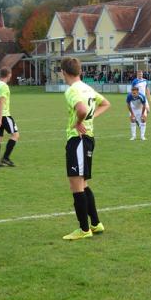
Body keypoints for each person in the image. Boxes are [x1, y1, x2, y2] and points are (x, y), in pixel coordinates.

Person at [61, 57, 111, 240]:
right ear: (79, 71)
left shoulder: (72, 90)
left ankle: (83, 229)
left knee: (76, 185)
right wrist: (91, 118)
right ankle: (96, 223)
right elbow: (105, 103)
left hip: (78, 140)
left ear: (63, 72)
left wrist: (79, 122)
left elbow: (81, 110)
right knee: (83, 183)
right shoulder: (87, 87)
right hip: (87, 139)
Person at [0, 67, 19, 167]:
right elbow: (1, 101)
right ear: (8, 74)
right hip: (3, 115)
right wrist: (0, 118)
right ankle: (6, 158)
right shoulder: (4, 86)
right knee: (15, 135)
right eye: (10, 74)